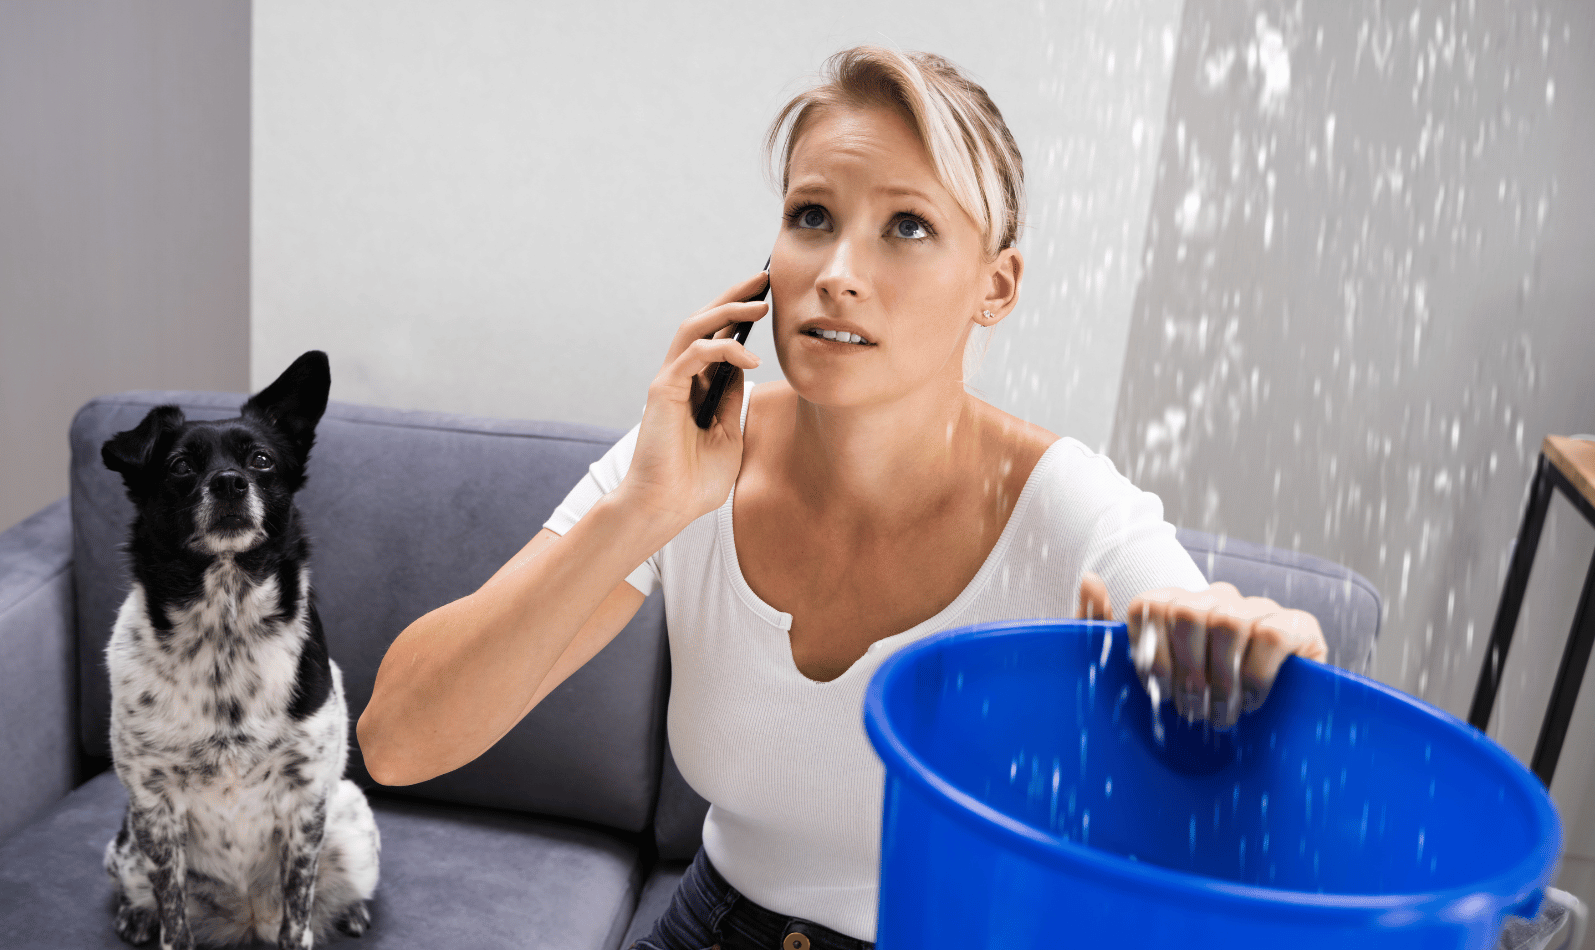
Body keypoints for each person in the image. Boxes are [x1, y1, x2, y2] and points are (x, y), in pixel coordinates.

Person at [356, 46, 1328, 950]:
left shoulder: (1065, 508)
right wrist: (641, 512)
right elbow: (399, 740)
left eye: (907, 226)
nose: (837, 273)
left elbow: (1228, 671)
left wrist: (1250, 653)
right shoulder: (693, 455)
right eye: (812, 216)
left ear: (996, 286)